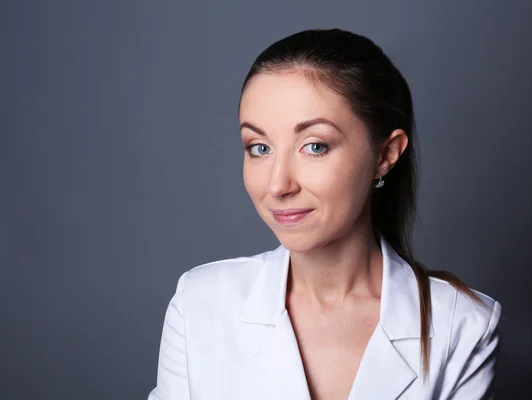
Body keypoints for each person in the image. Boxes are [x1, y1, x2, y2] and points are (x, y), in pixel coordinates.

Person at [148, 28, 501, 400]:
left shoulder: (461, 324)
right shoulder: (201, 304)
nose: (277, 185)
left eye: (314, 146)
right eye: (259, 147)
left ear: (385, 154)